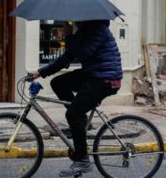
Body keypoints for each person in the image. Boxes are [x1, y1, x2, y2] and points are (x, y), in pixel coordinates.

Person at [32, 20, 122, 177]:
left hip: (106, 79)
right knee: (58, 83)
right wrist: (40, 72)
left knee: (73, 114)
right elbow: (66, 58)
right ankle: (81, 121)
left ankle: (82, 160)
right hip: (93, 75)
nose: (73, 21)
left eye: (76, 19)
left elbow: (83, 54)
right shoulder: (83, 31)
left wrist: (68, 36)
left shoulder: (98, 29)